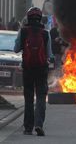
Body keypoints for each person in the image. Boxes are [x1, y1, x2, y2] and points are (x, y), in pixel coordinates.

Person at [14, 7, 53, 136]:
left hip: (28, 69)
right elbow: (49, 54)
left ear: (28, 17)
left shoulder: (24, 31)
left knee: (29, 99)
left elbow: (16, 49)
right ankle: (39, 124)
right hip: (41, 70)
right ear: (40, 17)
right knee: (41, 98)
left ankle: (27, 127)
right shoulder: (45, 33)